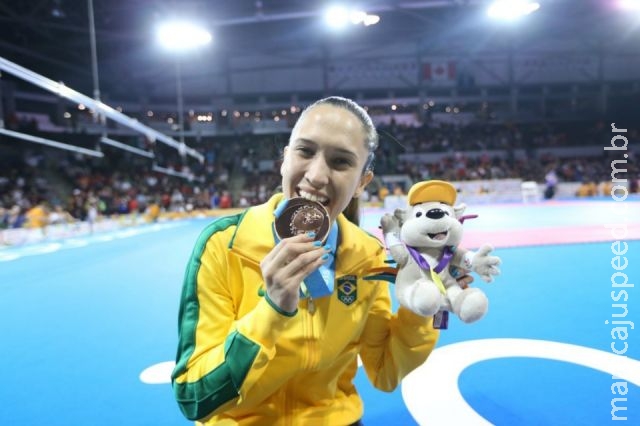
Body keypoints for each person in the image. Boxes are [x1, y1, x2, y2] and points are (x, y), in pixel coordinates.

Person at [171, 96, 472, 425]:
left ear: (361, 183)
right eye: (305, 151)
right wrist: (270, 312)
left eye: (341, 162)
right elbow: (194, 396)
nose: (316, 175)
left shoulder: (366, 256)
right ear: (285, 159)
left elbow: (386, 370)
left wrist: (420, 306)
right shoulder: (223, 245)